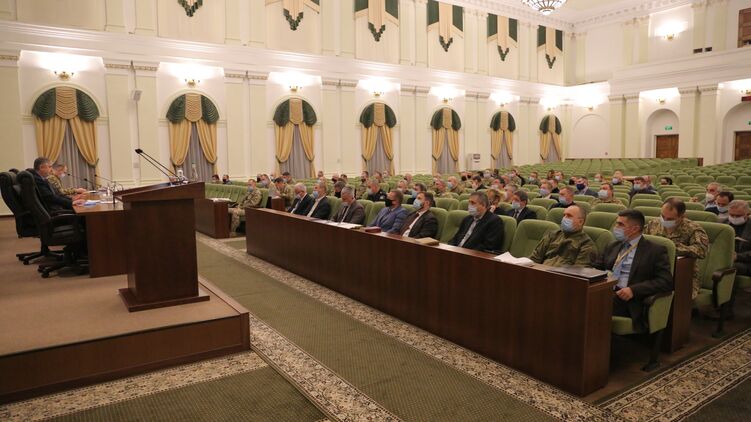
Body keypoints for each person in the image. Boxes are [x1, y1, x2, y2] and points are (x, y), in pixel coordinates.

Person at [592, 209, 673, 330]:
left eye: (620, 224)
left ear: (635, 229)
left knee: (590, 304)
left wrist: (633, 290)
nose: (616, 227)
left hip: (629, 299)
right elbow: (597, 267)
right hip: (605, 291)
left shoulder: (655, 251)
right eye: (616, 223)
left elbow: (665, 282)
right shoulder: (613, 245)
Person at [644, 198, 709, 298]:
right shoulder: (654, 224)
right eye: (663, 216)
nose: (665, 220)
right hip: (655, 271)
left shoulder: (693, 229)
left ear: (682, 216)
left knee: (677, 298)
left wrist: (672, 248)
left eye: (670, 219)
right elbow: (642, 241)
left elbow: (701, 250)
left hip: (682, 275)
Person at [529, 204, 594, 267]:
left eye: (569, 216)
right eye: (564, 215)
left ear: (580, 222)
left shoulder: (586, 244)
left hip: (562, 274)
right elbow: (534, 259)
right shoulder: (552, 235)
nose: (564, 218)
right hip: (540, 271)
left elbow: (579, 271)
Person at [726, 200, 751, 317]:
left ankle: (726, 309)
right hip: (726, 258)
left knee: (730, 269)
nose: (734, 218)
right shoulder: (725, 225)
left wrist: (738, 256)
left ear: (747, 214)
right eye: (732, 215)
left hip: (746, 262)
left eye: (738, 216)